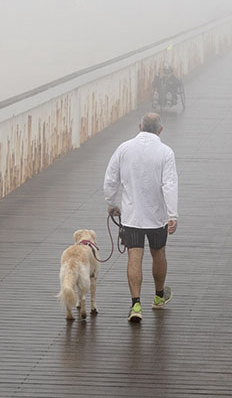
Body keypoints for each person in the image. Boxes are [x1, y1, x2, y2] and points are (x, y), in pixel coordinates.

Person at [104, 112, 178, 323]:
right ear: (160, 130)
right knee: (159, 254)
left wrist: (112, 204)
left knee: (134, 258)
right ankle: (158, 296)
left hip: (131, 217)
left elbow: (111, 179)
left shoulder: (124, 148)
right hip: (157, 217)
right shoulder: (166, 152)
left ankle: (136, 304)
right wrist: (173, 214)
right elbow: (170, 185)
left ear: (139, 126)